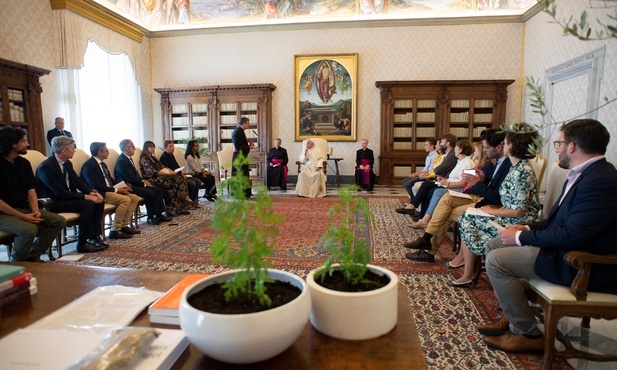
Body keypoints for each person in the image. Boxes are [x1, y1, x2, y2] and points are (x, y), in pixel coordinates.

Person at [478, 119, 617, 354]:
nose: (556, 149)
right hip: (565, 250)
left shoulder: (599, 181)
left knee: (497, 260)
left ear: (572, 146)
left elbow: (573, 235)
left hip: (581, 263)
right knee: (494, 243)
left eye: (558, 143)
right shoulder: (585, 174)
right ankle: (515, 314)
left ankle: (527, 334)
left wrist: (521, 239)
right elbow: (556, 222)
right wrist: (527, 229)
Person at [447, 125, 541, 287]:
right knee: (468, 216)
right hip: (508, 215)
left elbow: (519, 212)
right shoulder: (516, 168)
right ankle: (470, 269)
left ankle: (470, 272)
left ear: (512, 146)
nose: (502, 145)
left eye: (505, 142)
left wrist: (492, 210)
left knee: (468, 218)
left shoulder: (522, 171)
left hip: (520, 222)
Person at [403, 129, 510, 263]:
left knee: (444, 206)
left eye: (486, 148)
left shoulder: (503, 165)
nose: (484, 151)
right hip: (477, 196)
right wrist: (483, 180)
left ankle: (427, 247)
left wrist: (478, 183)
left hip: (487, 203)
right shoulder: (497, 162)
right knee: (445, 200)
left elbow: (497, 196)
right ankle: (426, 243)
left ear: (499, 147)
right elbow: (489, 187)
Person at [0, 127, 66, 262]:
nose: (27, 144)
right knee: (29, 229)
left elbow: (31, 190)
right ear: (13, 144)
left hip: (24, 208)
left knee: (58, 221)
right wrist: (22, 216)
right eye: (24, 141)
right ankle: (16, 265)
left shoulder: (23, 163)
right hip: (3, 213)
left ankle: (32, 256)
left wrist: (36, 211)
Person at [37, 136, 106, 253]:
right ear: (64, 151)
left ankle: (95, 236)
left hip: (68, 198)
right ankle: (82, 243)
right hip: (54, 202)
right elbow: (59, 192)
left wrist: (92, 192)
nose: (74, 150)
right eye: (72, 148)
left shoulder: (67, 163)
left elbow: (78, 181)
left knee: (99, 201)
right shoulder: (46, 167)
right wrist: (86, 197)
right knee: (88, 204)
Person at [409, 139, 475, 229]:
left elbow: (464, 184)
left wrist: (447, 183)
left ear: (460, 150)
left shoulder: (468, 163)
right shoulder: (460, 161)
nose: (454, 150)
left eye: (456, 148)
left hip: (458, 190)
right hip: (450, 185)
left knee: (436, 192)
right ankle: (423, 218)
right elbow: (454, 177)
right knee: (427, 188)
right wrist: (444, 179)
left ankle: (426, 220)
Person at [81, 142, 141, 239]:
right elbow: (95, 185)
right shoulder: (89, 165)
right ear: (99, 152)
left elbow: (110, 180)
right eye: (106, 150)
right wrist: (116, 190)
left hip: (110, 190)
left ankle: (124, 226)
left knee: (133, 198)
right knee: (125, 200)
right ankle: (115, 229)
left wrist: (122, 187)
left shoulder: (103, 164)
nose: (108, 152)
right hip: (100, 193)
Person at [396, 134, 458, 214]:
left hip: (444, 181)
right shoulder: (447, 154)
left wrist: (429, 175)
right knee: (424, 185)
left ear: (447, 143)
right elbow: (437, 169)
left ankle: (416, 210)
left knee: (423, 186)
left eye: (442, 142)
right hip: (439, 178)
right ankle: (416, 210)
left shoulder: (451, 155)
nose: (439, 145)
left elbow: (438, 169)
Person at [115, 139, 172, 225]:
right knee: (149, 193)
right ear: (127, 148)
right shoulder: (122, 161)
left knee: (157, 190)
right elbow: (130, 178)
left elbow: (135, 175)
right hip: (129, 186)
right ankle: (150, 217)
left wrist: (142, 180)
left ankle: (159, 215)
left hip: (135, 183)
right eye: (133, 146)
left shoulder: (128, 159)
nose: (134, 148)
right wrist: (143, 183)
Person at [140, 141, 191, 216]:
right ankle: (174, 207)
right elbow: (154, 172)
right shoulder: (144, 159)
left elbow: (163, 166)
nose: (153, 149)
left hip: (160, 177)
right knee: (174, 181)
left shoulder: (153, 157)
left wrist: (171, 171)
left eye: (153, 147)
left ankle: (180, 206)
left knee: (177, 180)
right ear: (146, 148)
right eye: (151, 147)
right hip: (152, 179)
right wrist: (169, 173)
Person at [160, 140, 201, 207]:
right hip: (173, 177)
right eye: (170, 146)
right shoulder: (164, 157)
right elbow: (168, 170)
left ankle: (193, 201)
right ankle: (187, 203)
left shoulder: (171, 155)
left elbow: (176, 167)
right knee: (192, 183)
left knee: (197, 181)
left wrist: (182, 174)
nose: (173, 148)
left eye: (173, 146)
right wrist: (180, 176)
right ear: (165, 148)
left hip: (179, 175)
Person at [231, 117, 255, 199]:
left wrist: (248, 146)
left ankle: (245, 193)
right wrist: (249, 147)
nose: (249, 124)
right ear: (243, 123)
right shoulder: (238, 132)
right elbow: (239, 146)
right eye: (248, 123)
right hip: (238, 157)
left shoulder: (240, 131)